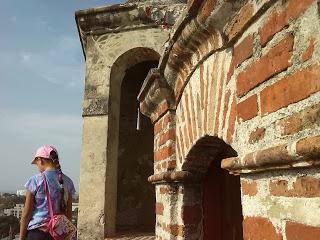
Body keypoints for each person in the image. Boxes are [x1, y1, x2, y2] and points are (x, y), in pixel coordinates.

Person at [19, 145, 76, 240]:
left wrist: (21, 237)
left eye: (36, 163)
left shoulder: (35, 180)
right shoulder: (68, 182)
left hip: (37, 233)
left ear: (40, 160)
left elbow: (26, 213)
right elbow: (68, 213)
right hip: (57, 234)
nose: (37, 166)